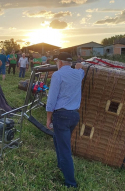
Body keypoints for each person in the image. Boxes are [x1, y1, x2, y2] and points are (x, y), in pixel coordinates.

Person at [46, 52, 84, 188]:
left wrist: (48, 118)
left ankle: (70, 183)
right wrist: (80, 66)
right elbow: (81, 70)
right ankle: (60, 166)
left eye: (57, 62)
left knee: (64, 149)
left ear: (60, 62)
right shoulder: (78, 74)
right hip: (74, 116)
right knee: (58, 139)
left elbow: (51, 99)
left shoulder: (58, 75)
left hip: (61, 116)